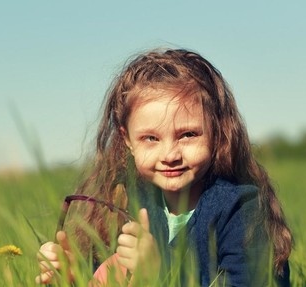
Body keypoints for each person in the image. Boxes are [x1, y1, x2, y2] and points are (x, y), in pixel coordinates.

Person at [36, 48, 292, 286]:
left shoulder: (241, 207)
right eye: (151, 138)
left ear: (217, 131)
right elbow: (112, 275)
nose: (170, 154)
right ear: (128, 141)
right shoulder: (130, 201)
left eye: (188, 134)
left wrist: (158, 273)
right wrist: (75, 275)